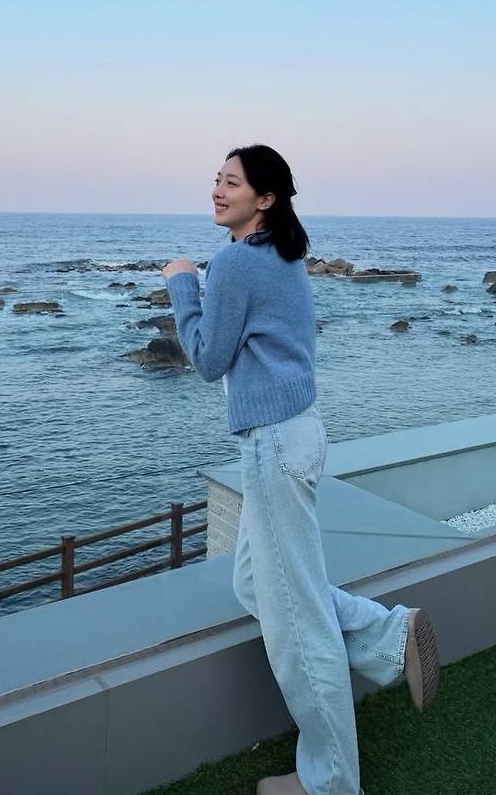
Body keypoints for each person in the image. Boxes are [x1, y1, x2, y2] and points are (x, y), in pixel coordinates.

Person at [162, 144, 439, 795]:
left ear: (265, 199)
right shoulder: (283, 255)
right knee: (256, 586)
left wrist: (183, 284)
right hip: (299, 432)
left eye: (232, 183)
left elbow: (208, 360)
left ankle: (331, 782)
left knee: (297, 627)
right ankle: (388, 635)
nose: (217, 190)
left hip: (273, 445)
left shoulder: (235, 262)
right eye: (216, 179)